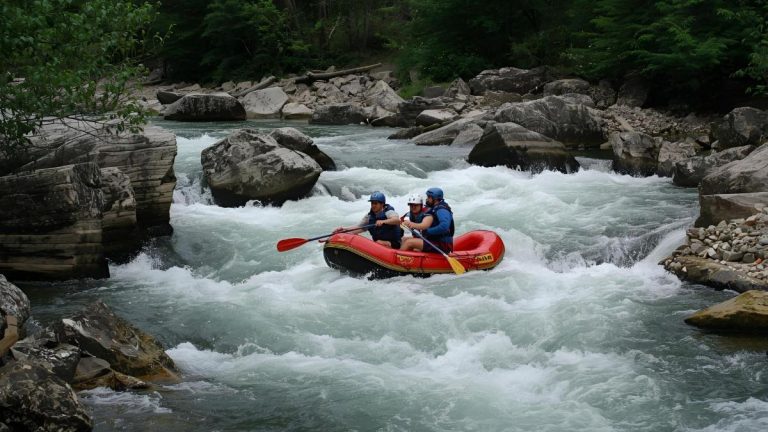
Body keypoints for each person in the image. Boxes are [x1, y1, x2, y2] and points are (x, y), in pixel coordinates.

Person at [334, 191, 403, 249]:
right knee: (369, 241)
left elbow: (397, 220)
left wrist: (383, 221)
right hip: (378, 244)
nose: (373, 205)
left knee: (379, 242)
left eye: (376, 203)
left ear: (382, 204)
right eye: (372, 203)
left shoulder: (389, 212)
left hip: (394, 243)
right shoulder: (369, 216)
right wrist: (343, 230)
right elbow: (359, 227)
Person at [401, 187, 454, 252]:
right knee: (404, 240)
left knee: (409, 242)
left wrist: (428, 232)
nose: (427, 199)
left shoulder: (441, 210)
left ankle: (397, 257)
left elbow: (444, 226)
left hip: (442, 244)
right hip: (434, 240)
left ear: (435, 199)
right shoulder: (434, 209)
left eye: (429, 197)